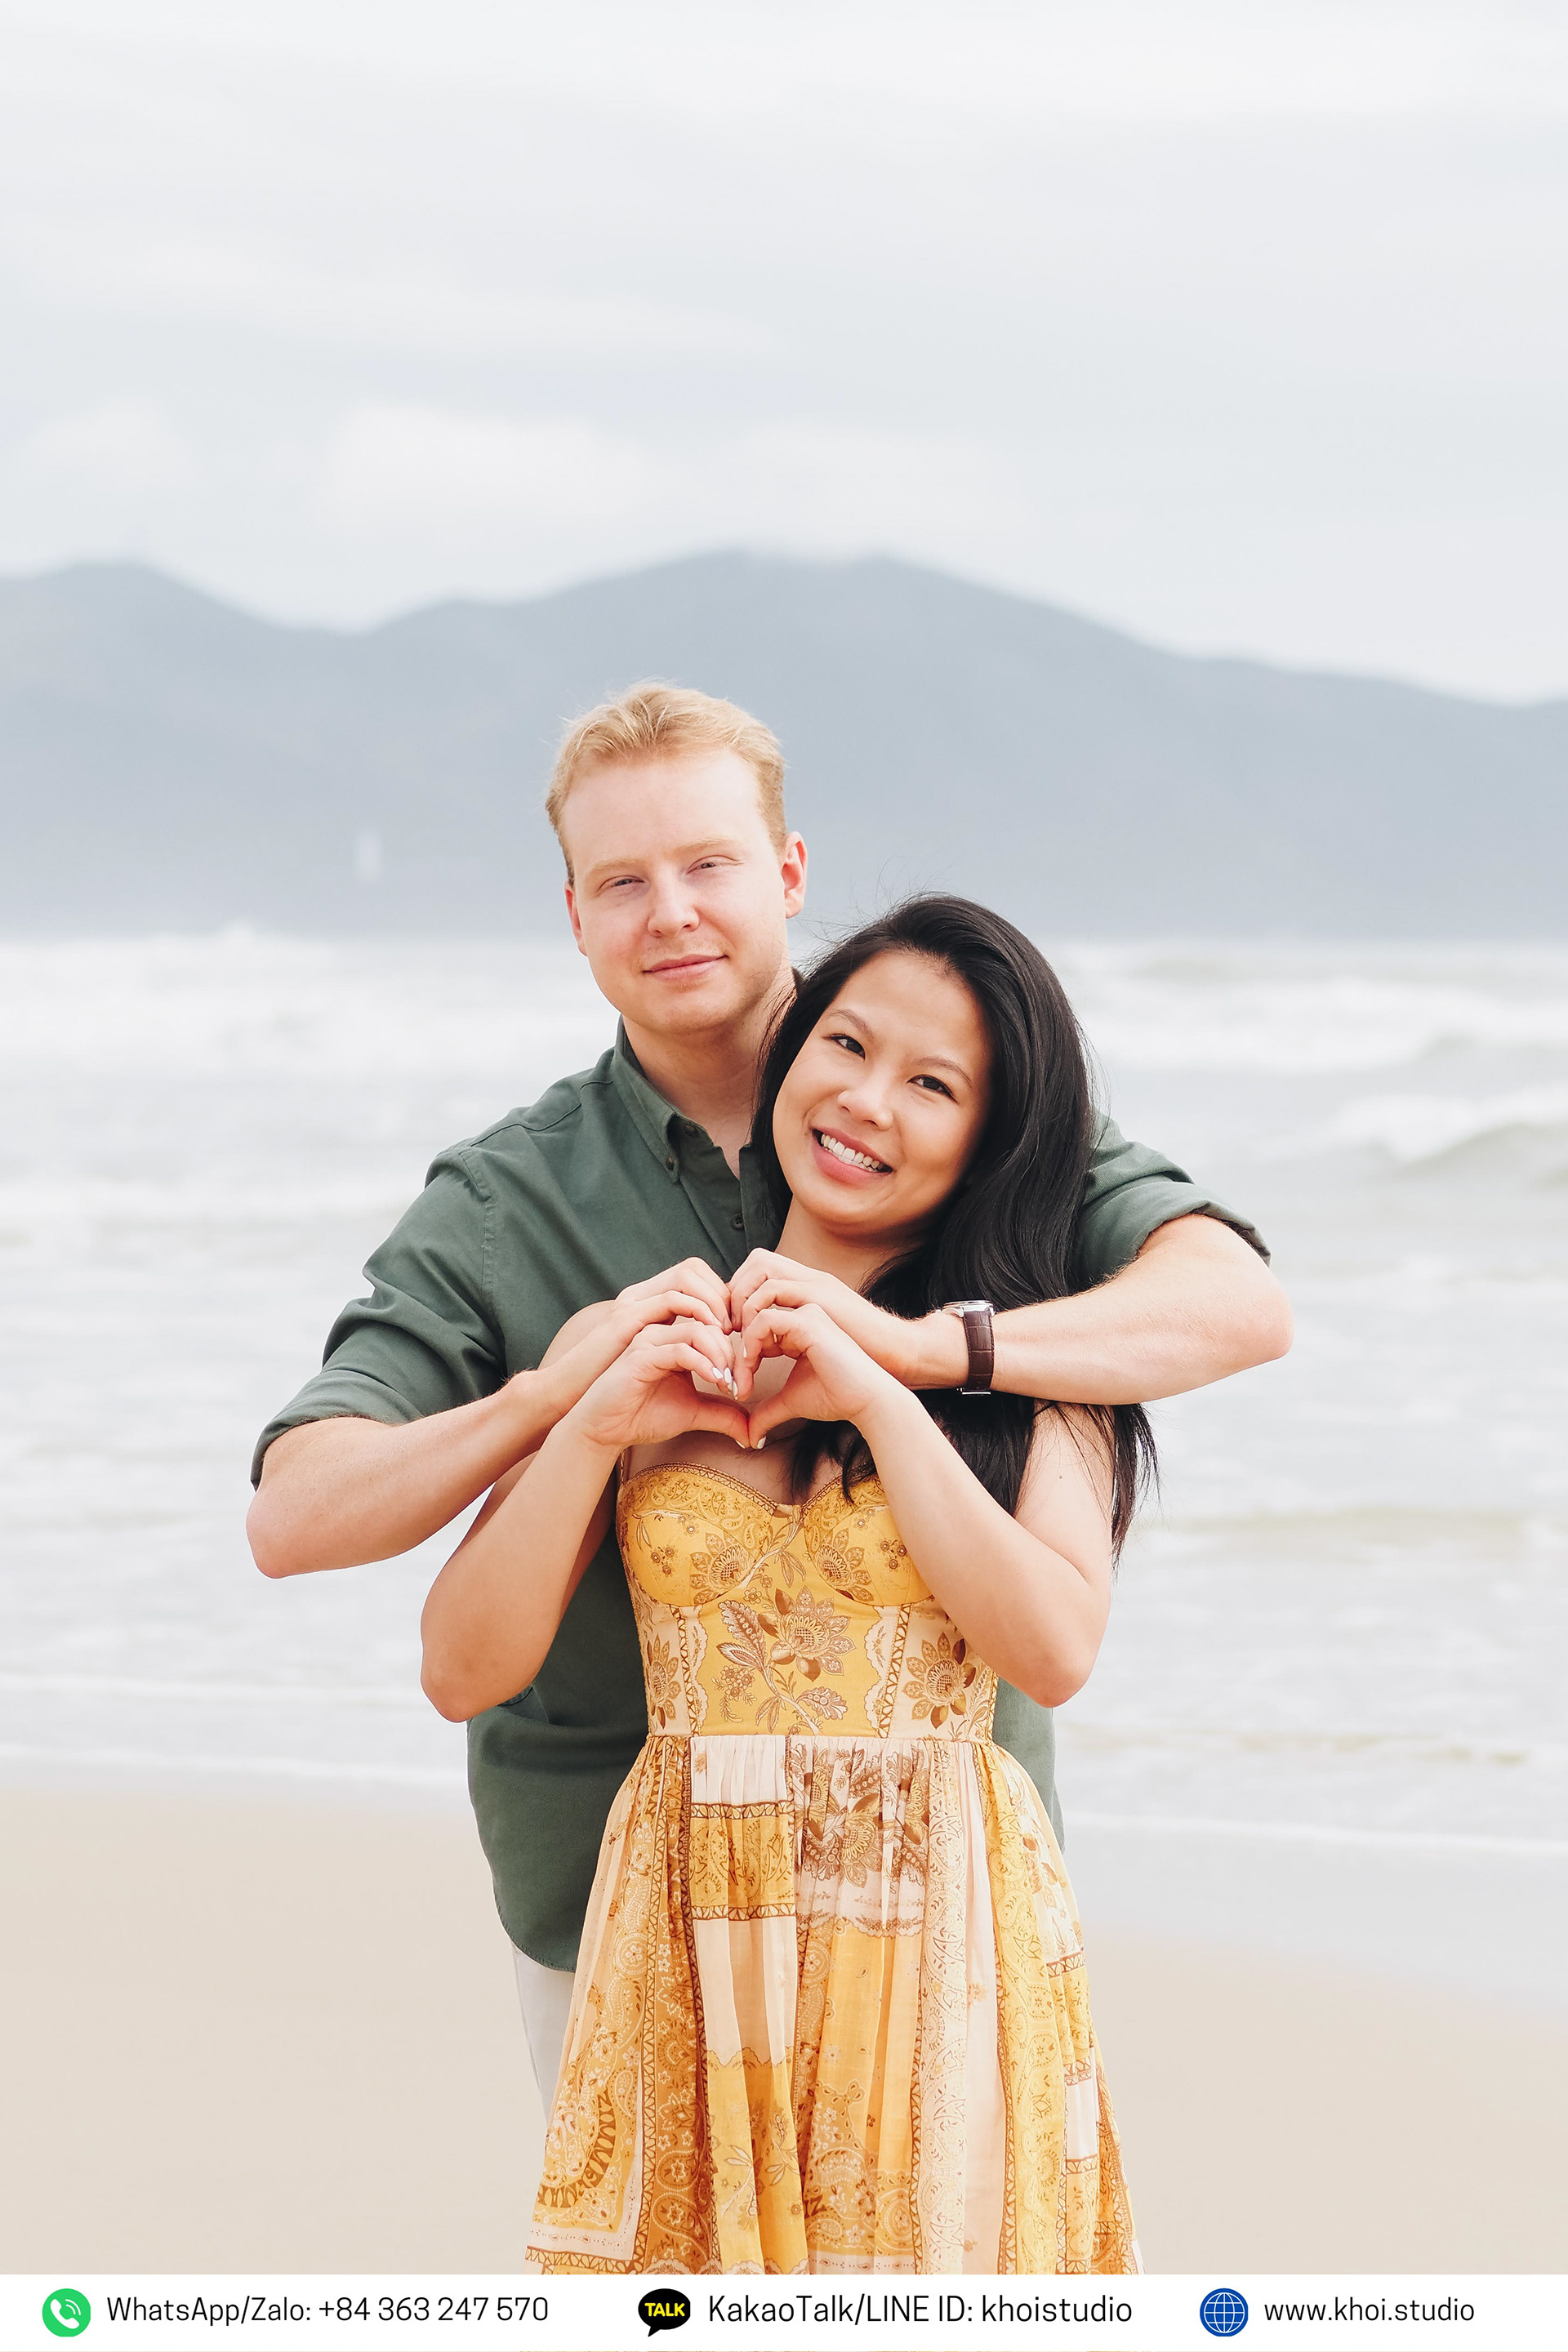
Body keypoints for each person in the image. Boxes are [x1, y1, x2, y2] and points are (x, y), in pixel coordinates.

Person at [247, 683, 1290, 2108]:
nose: (671, 913)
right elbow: (297, 1517)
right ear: (573, 916)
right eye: (623, 882)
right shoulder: (512, 1197)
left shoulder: (962, 1098)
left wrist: (916, 1356)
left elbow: (1236, 1306)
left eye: (709, 866)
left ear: (787, 874)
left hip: (941, 1895)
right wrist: (552, 1403)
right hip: (611, 1887)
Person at [421, 897, 1154, 2274]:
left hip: (943, 1920)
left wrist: (879, 1384)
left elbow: (1051, 1649)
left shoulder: (1036, 1366)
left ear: (991, 1138)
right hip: (689, 1913)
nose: (869, 1103)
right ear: (792, 1052)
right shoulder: (662, 1336)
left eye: (933, 1085)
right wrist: (586, 1425)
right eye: (849, 1046)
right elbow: (460, 1666)